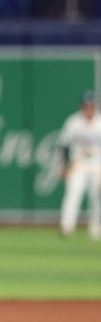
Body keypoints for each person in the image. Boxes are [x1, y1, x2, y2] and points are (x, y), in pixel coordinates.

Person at [58, 91, 101, 240]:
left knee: (96, 196)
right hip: (79, 163)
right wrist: (63, 165)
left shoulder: (100, 122)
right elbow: (64, 144)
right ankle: (67, 227)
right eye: (86, 105)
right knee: (73, 193)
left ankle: (96, 229)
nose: (89, 108)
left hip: (97, 163)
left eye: (91, 105)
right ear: (82, 106)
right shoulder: (73, 122)